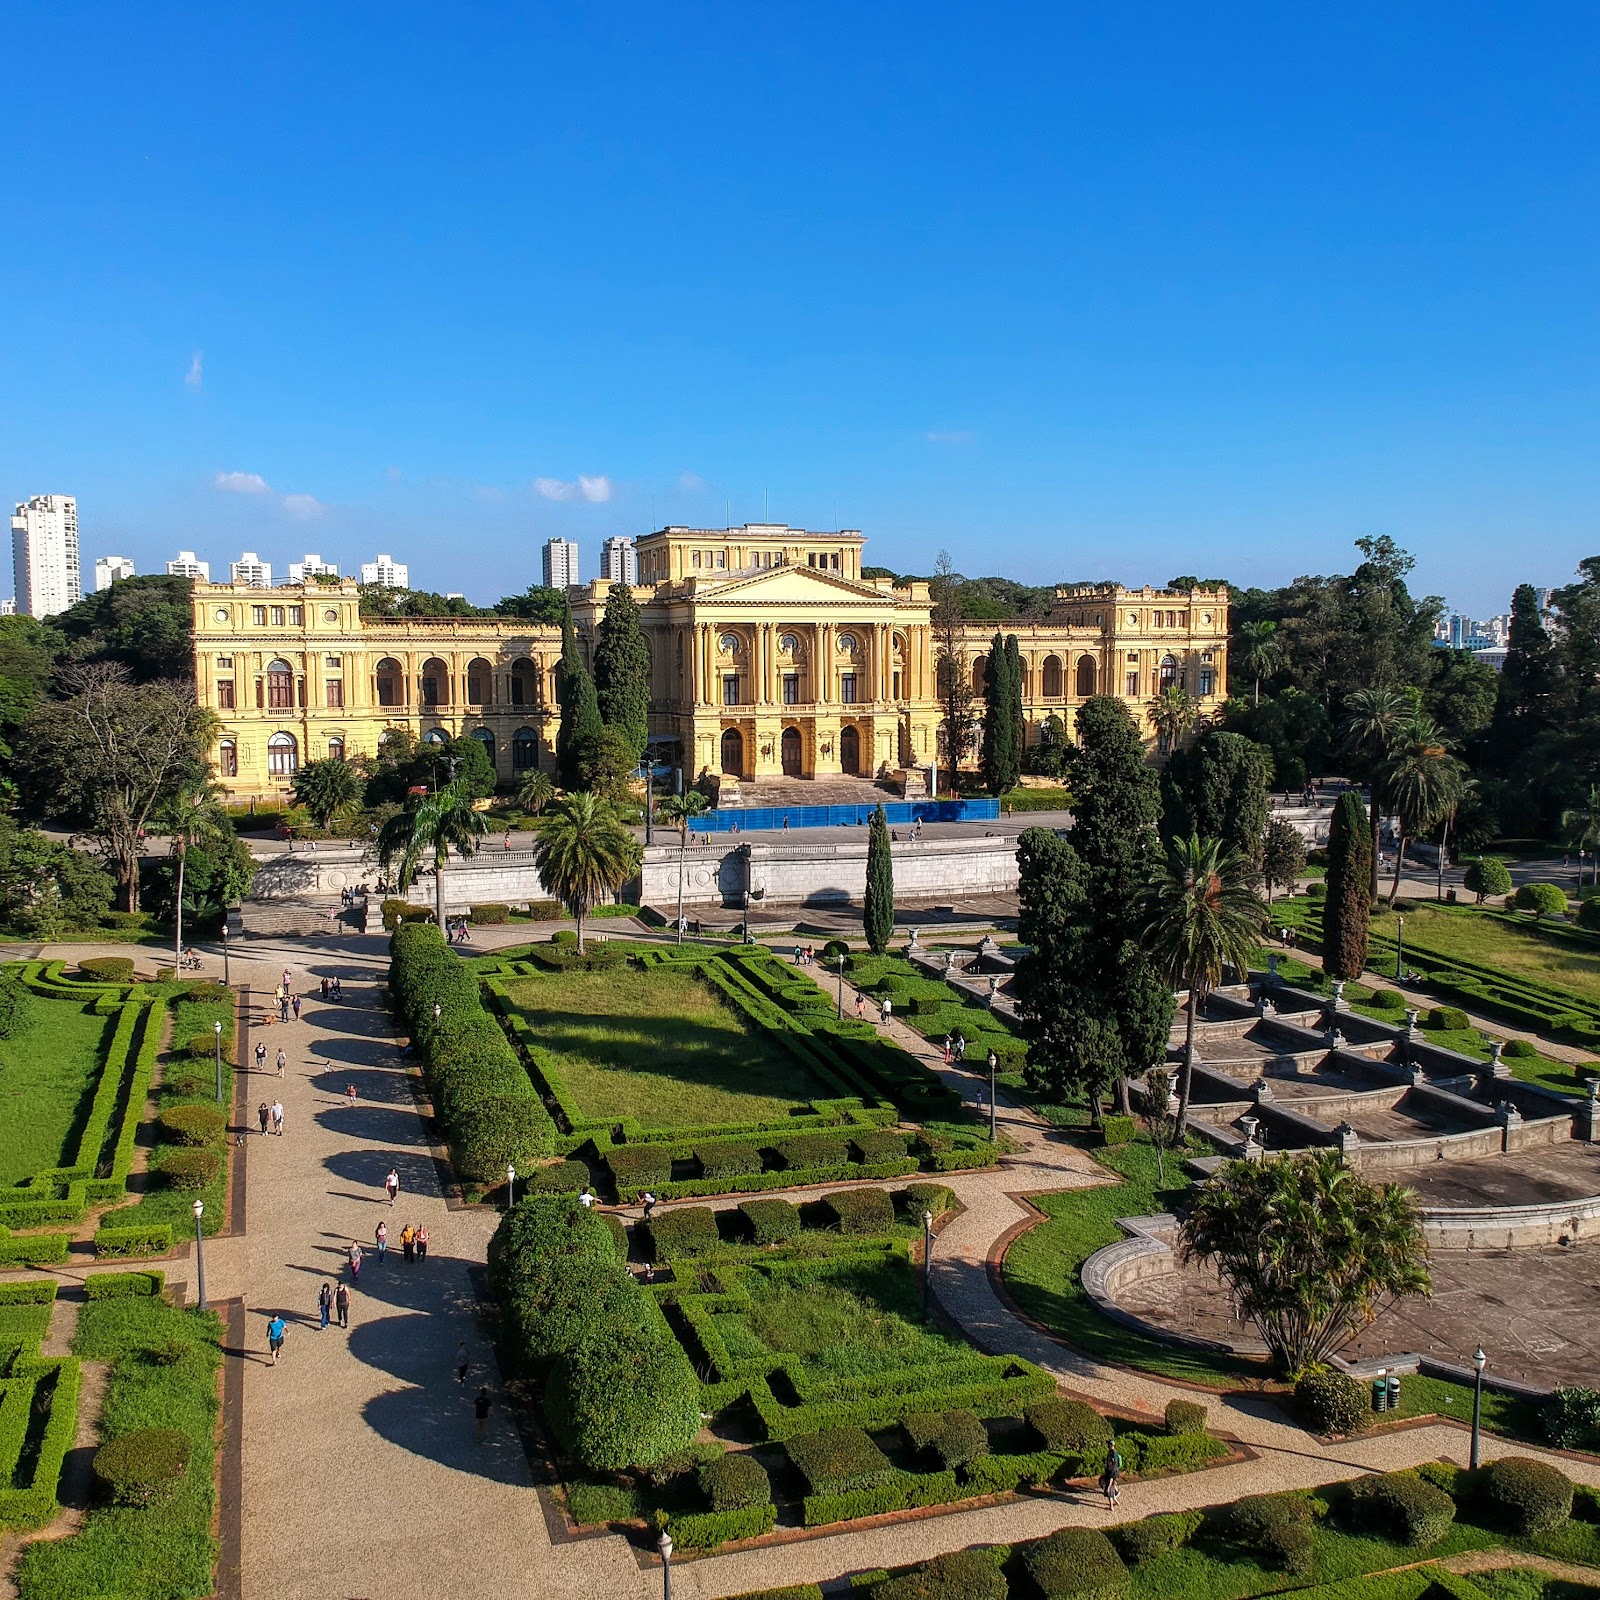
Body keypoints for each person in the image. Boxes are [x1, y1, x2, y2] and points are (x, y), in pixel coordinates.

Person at [1101, 1442, 1122, 1507]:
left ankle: (1111, 1506)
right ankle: (1116, 1500)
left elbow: (1111, 1478)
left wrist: (1108, 1487)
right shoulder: (1111, 1452)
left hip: (1112, 1474)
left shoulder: (1113, 1453)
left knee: (1110, 1491)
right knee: (1112, 1489)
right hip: (1111, 1473)